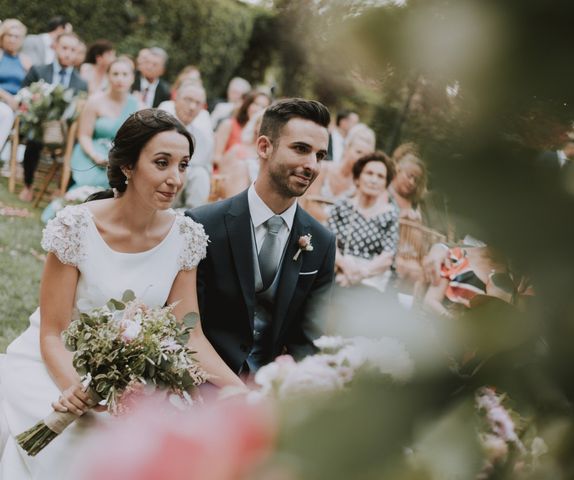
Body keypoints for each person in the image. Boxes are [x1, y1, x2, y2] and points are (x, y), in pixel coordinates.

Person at [0, 109, 245, 479]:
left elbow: (189, 333)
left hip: (134, 378)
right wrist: (77, 391)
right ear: (128, 166)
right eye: (162, 163)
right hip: (56, 364)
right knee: (81, 445)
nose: (175, 179)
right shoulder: (75, 226)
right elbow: (51, 332)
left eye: (183, 165)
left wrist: (239, 389)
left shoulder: (186, 236)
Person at [186, 98, 336, 374]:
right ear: (264, 147)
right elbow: (187, 327)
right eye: (301, 149)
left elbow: (307, 342)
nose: (312, 165)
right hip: (201, 382)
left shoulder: (322, 242)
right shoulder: (203, 224)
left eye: (319, 155)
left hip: (269, 390)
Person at [18, 32, 87, 202]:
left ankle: (61, 188)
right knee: (34, 139)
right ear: (55, 47)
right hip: (38, 126)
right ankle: (28, 185)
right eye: (64, 48)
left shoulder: (81, 83)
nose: (68, 53)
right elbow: (23, 96)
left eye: (72, 50)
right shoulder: (38, 70)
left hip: (65, 132)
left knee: (77, 146)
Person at [327, 151, 399, 293]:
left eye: (380, 176)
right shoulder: (342, 206)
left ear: (385, 184)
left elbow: (387, 257)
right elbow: (330, 246)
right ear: (358, 178)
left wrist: (361, 274)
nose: (374, 180)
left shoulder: (390, 215)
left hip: (372, 280)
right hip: (339, 272)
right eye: (369, 173)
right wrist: (347, 270)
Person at [69, 56, 140, 189]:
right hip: (92, 153)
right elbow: (84, 135)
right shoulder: (95, 101)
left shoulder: (137, 106)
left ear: (132, 78)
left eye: (125, 74)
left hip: (120, 159)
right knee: (87, 185)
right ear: (108, 76)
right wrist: (94, 156)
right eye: (115, 74)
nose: (120, 78)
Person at [302, 123, 376, 223]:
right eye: (358, 152)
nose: (361, 159)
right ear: (347, 148)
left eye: (366, 156)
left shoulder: (358, 185)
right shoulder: (324, 168)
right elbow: (309, 203)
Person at [159, 82, 214, 208]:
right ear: (176, 99)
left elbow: (206, 169)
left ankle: (192, 217)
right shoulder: (158, 127)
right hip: (159, 181)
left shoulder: (203, 138)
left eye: (198, 103)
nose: (192, 107)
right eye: (188, 100)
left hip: (184, 191)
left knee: (201, 174)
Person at [213, 90, 271, 167]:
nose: (258, 109)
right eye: (256, 104)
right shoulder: (229, 125)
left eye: (263, 107)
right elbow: (216, 157)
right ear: (248, 104)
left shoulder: (260, 134)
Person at [0, 19, 31, 149]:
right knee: (5, 113)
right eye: (9, 35)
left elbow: (32, 85)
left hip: (18, 105)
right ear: (2, 36)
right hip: (3, 100)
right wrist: (7, 97)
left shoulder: (25, 60)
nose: (12, 39)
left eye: (16, 36)